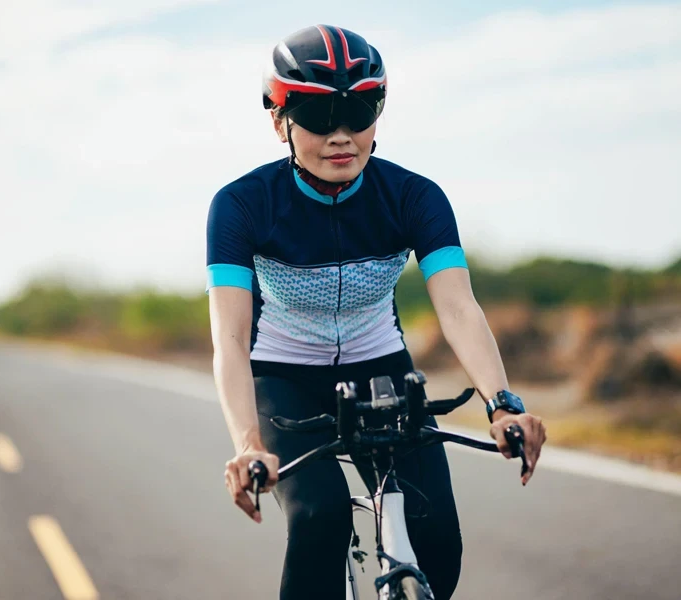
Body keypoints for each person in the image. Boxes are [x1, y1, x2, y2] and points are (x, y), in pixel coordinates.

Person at [206, 24, 548, 600]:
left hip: (381, 369)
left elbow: (459, 309)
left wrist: (503, 403)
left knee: (436, 536)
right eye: (319, 117)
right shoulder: (241, 206)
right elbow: (231, 339)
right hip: (283, 379)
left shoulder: (415, 197)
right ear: (278, 121)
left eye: (360, 111)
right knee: (321, 515)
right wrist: (247, 443)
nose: (341, 136)